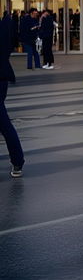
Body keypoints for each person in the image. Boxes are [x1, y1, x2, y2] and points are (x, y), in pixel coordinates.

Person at [1, 16, 23, 177]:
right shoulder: (4, 27)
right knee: (4, 123)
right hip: (2, 77)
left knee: (4, 123)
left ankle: (17, 161)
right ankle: (17, 161)